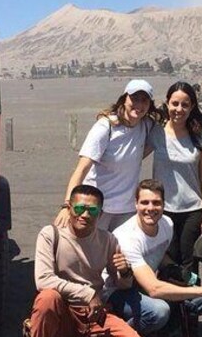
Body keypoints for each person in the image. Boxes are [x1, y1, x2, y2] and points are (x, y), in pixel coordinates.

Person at [24, 185, 148, 337]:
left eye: (92, 210)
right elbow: (43, 280)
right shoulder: (51, 234)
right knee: (47, 298)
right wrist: (87, 292)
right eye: (79, 208)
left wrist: (125, 272)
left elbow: (121, 285)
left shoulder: (108, 239)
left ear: (100, 213)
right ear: (70, 208)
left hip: (93, 313)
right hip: (61, 310)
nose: (84, 214)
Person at [104, 179, 202, 337]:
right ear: (136, 204)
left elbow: (159, 255)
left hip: (144, 282)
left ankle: (165, 330)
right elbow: (154, 289)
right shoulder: (127, 238)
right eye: (144, 202)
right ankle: (116, 335)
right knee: (159, 311)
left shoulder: (166, 224)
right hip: (118, 291)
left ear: (163, 204)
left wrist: (179, 272)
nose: (150, 208)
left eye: (156, 203)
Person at [58, 79, 159, 231]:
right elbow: (82, 169)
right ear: (124, 99)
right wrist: (67, 205)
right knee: (92, 250)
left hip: (126, 209)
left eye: (144, 100)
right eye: (134, 98)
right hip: (98, 207)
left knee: (121, 252)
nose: (139, 104)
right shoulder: (106, 127)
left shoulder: (146, 125)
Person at [149, 81, 202, 283]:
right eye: (175, 103)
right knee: (167, 263)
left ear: (192, 107)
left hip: (192, 211)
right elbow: (131, 158)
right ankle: (171, 313)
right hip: (162, 210)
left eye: (185, 105)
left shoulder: (199, 137)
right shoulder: (155, 133)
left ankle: (191, 312)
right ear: (167, 103)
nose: (179, 109)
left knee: (189, 264)